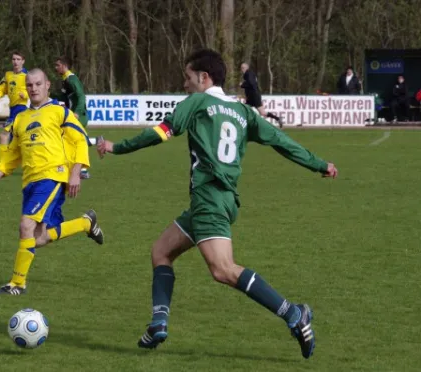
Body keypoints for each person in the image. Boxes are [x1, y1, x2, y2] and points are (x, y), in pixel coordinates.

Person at [98, 49, 338, 359]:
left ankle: (293, 315)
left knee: (223, 269)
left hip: (209, 198)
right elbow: (282, 141)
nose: (184, 84)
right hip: (218, 201)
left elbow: (159, 133)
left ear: (203, 77)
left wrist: (116, 146)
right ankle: (159, 322)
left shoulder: (197, 103)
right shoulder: (244, 112)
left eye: (187, 78)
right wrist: (320, 164)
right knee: (161, 251)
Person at [0, 68, 104, 295]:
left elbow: (81, 141)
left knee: (25, 226)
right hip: (30, 181)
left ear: (47, 85)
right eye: (29, 85)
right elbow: (12, 155)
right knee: (38, 237)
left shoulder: (59, 111)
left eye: (38, 84)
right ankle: (85, 223)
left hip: (52, 177)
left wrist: (76, 172)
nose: (33, 88)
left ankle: (17, 284)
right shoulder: (20, 118)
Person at [0, 51, 29, 174]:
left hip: (21, 110)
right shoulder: (8, 75)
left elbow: (34, 89)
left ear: (23, 61)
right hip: (13, 110)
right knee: (16, 142)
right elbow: (3, 86)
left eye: (18, 59)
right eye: (14, 59)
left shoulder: (27, 76)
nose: (15, 62)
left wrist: (25, 94)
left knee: (4, 136)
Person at [52, 56, 97, 179]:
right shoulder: (65, 80)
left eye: (57, 65)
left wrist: (77, 112)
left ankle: (81, 170)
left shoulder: (71, 79)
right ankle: (96, 142)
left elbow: (81, 96)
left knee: (75, 141)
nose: (55, 68)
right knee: (70, 140)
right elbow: (63, 96)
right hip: (73, 115)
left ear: (64, 65)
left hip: (79, 116)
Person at [240, 62, 284, 128]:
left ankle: (250, 125)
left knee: (260, 112)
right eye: (241, 68)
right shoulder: (250, 74)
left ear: (247, 68)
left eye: (243, 68)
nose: (242, 69)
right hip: (253, 97)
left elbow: (252, 84)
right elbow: (252, 85)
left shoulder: (248, 73)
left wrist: (242, 85)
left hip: (254, 97)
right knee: (247, 110)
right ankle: (277, 119)